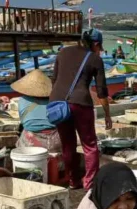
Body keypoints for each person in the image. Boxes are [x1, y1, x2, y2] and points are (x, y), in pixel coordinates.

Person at [50, 29, 112, 190]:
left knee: (67, 145)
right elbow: (102, 92)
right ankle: (89, 183)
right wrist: (107, 115)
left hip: (57, 103)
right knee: (89, 144)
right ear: (96, 44)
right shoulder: (95, 59)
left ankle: (73, 181)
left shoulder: (63, 52)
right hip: (80, 104)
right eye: (100, 46)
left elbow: (54, 80)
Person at [12, 69, 61, 153]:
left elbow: (23, 121)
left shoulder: (22, 100)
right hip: (56, 140)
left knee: (21, 135)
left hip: (31, 142)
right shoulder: (55, 99)